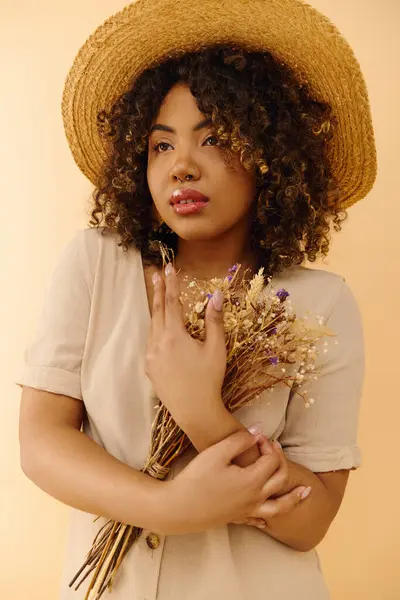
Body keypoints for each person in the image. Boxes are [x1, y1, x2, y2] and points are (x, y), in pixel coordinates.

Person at [15, 1, 377, 599]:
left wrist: (202, 412)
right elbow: (41, 442)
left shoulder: (322, 304)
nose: (181, 166)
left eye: (212, 139)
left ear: (270, 156)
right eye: (161, 146)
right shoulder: (96, 263)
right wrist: (165, 507)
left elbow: (312, 520)